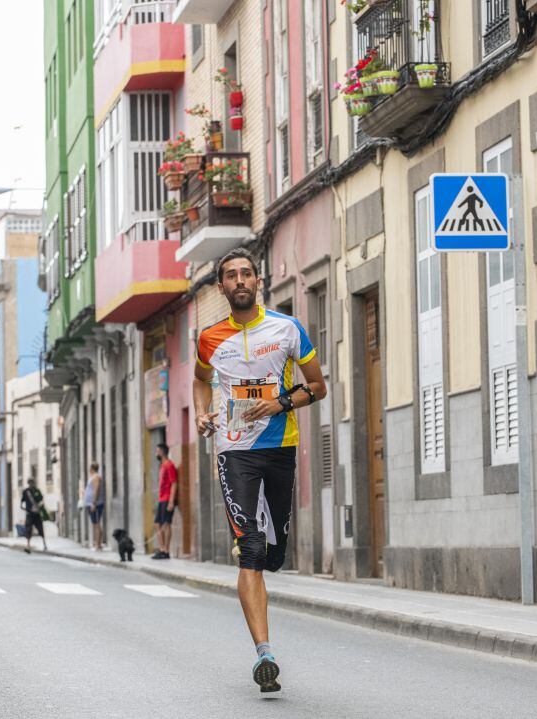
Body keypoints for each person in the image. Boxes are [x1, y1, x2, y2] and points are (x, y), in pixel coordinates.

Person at [193, 248, 327, 693]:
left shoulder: (287, 329)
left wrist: (279, 402)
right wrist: (201, 412)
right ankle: (264, 653)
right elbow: (199, 379)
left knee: (274, 553)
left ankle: (269, 557)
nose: (240, 281)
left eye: (246, 273)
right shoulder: (210, 338)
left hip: (279, 448)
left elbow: (318, 387)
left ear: (258, 280)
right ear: (221, 287)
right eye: (230, 275)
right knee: (249, 548)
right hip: (235, 452)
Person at [152, 443, 178, 560]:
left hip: (167, 499)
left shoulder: (169, 465)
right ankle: (162, 548)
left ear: (162, 452)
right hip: (161, 498)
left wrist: (171, 501)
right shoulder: (162, 466)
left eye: (157, 451)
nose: (156, 453)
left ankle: (166, 551)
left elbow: (174, 483)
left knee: (166, 524)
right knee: (157, 524)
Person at [21, 480, 47, 553]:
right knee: (28, 529)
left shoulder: (37, 491)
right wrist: (25, 509)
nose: (31, 484)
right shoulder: (26, 492)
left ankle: (44, 544)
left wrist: (39, 506)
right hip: (29, 514)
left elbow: (41, 500)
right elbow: (22, 502)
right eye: (30, 483)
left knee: (40, 529)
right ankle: (28, 546)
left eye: (32, 482)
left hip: (36, 514)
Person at [85, 462, 104, 551]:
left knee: (97, 524)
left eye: (90, 468)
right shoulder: (93, 477)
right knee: (95, 524)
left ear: (92, 468)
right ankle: (97, 544)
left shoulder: (96, 477)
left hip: (95, 504)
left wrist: (94, 503)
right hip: (91, 503)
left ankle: (98, 545)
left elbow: (96, 489)